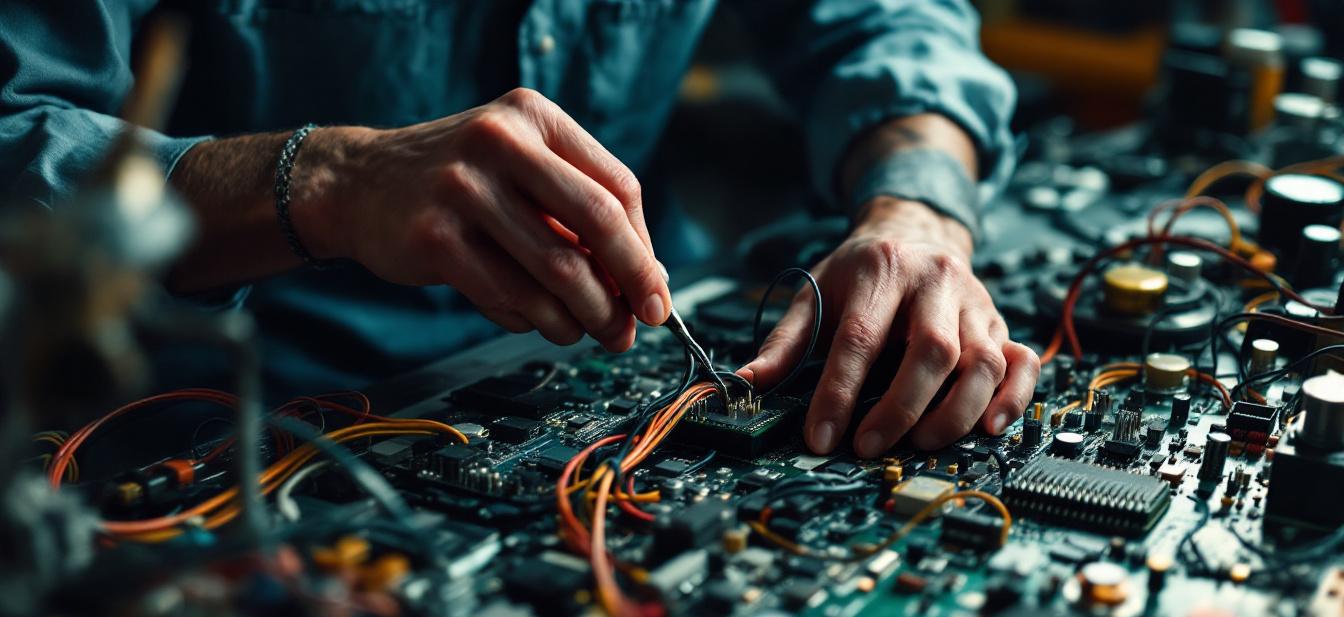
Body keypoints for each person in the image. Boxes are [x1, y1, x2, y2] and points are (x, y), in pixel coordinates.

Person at [0, 0, 1038, 458]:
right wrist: (323, 180)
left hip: (605, 369)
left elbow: (887, 19)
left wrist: (919, 208)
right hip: (217, 422)